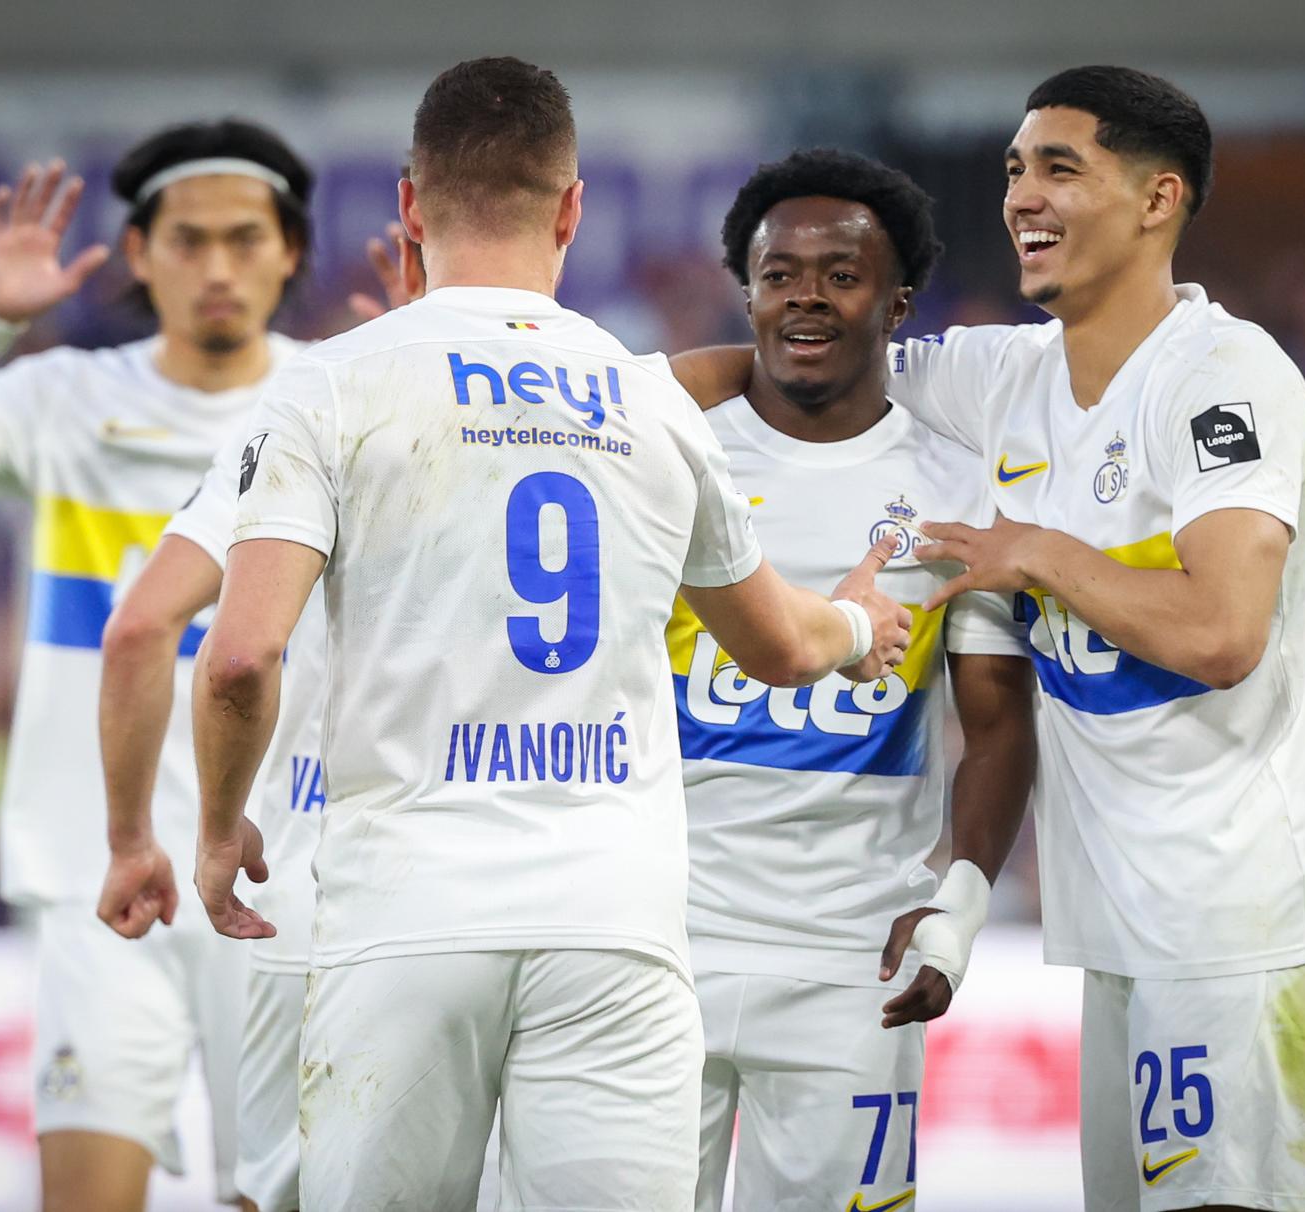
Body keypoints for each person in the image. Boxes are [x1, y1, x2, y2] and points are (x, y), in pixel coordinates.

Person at [190, 57, 910, 1212]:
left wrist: (222, 828)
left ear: (411, 208)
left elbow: (237, 659)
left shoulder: (333, 387)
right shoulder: (649, 403)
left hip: (407, 921)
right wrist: (859, 623)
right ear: (571, 207)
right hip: (613, 929)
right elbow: (778, 645)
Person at [893, 68, 1305, 1211]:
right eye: (1015, 170)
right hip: (1121, 933)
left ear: (1159, 199)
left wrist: (1040, 554)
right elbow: (800, 361)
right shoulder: (1002, 377)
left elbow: (1221, 632)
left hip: (1244, 933)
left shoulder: (1224, 379)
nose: (1023, 196)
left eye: (1060, 167)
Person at [0, 119, 316, 1212]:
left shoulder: (327, 404)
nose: (218, 266)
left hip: (281, 876)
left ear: (290, 251)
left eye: (245, 239)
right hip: (96, 878)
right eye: (190, 239)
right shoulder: (65, 395)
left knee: (277, 1198)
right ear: (140, 253)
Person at [681, 149, 1037, 1212]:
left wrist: (960, 904)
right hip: (654, 946)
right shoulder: (669, 454)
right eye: (779, 272)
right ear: (746, 292)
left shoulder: (952, 489)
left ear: (898, 305)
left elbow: (1000, 724)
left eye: (840, 274)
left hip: (854, 967)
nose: (805, 297)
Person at [93, 229, 422, 1212]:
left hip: (310, 886)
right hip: (508, 889)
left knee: (270, 1194)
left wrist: (141, 839)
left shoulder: (308, 408)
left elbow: (143, 628)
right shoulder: (599, 405)